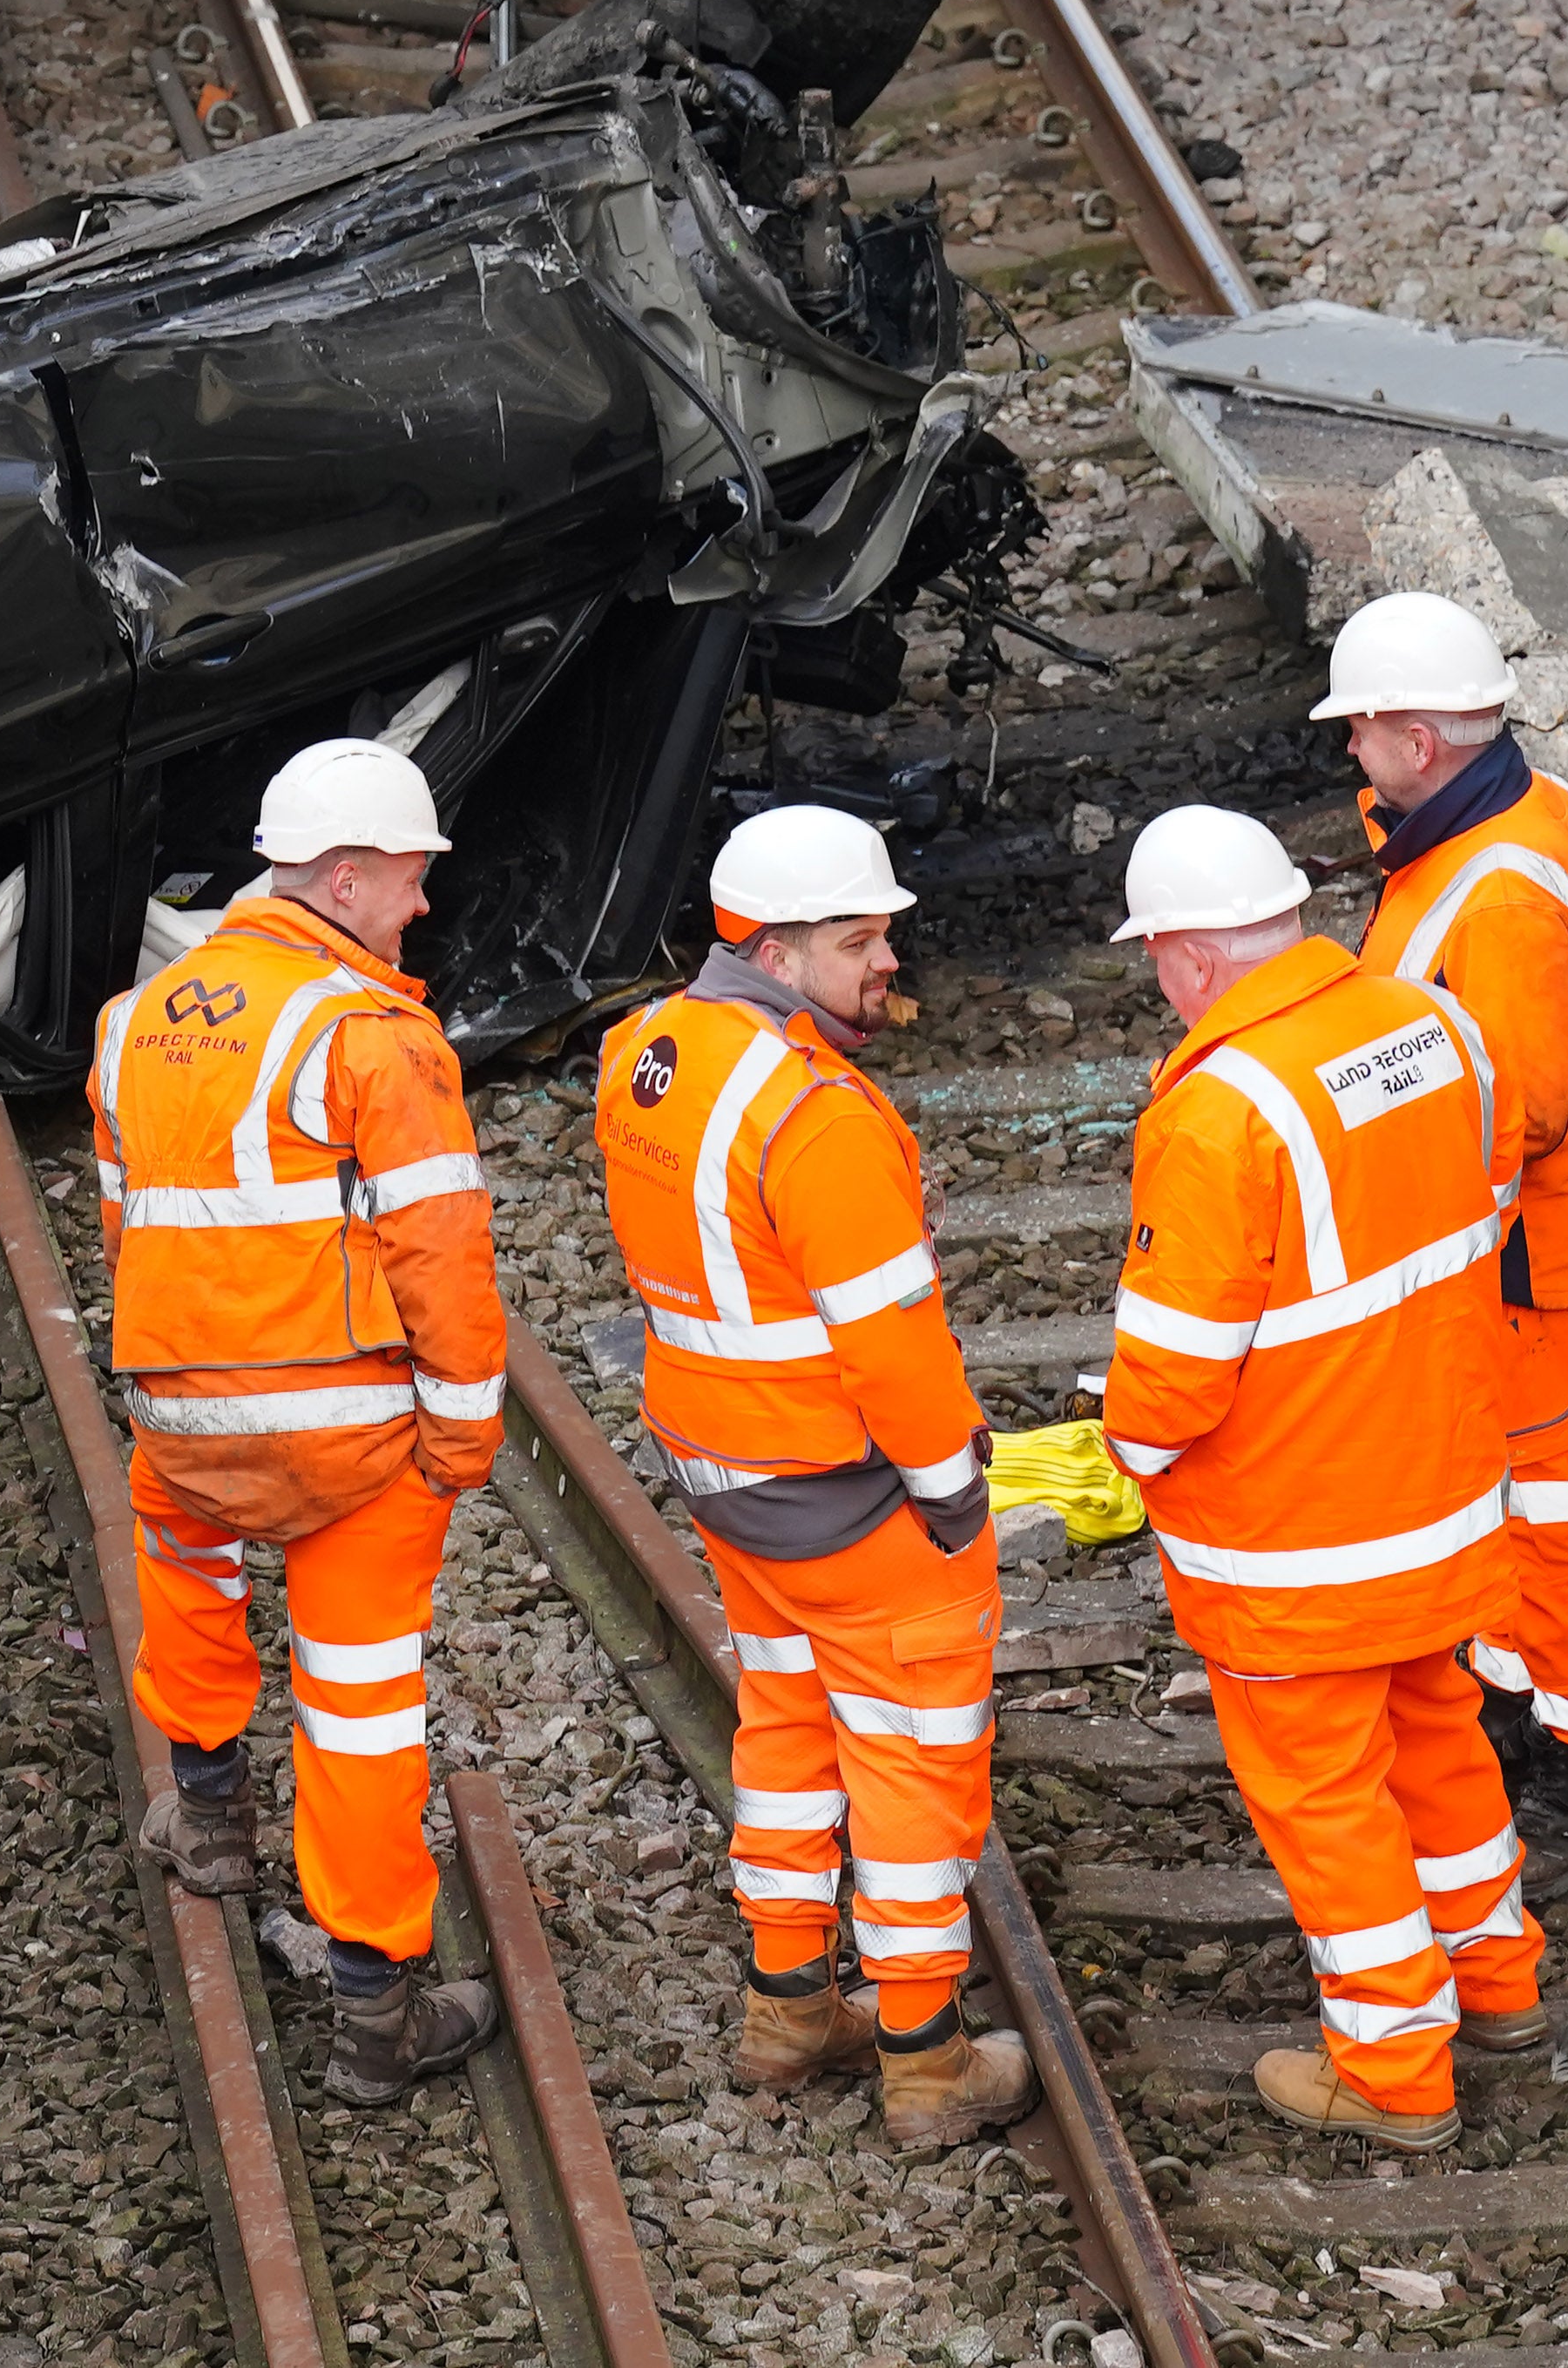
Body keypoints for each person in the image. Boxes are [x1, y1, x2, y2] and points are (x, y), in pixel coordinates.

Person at [591, 806, 1034, 2151]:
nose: (887, 958)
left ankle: (788, 2004)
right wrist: (954, 1484)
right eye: (858, 940)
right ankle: (924, 2053)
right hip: (849, 1494)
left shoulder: (649, 1054)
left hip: (728, 1478)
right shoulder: (819, 1116)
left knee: (786, 1723)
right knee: (911, 1761)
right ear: (773, 953)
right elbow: (894, 1343)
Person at [1105, 804, 1548, 2148]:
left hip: (1299, 1541)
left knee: (1327, 1798)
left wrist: (1118, 1451)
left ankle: (1394, 2065)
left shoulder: (1222, 1108)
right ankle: (1497, 1978)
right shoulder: (1433, 1028)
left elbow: (1175, 1371)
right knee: (1438, 1737)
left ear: (1184, 955)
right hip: (1441, 1496)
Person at [90, 737, 508, 2107]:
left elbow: (122, 1223)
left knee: (190, 1573)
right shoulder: (372, 1041)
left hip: (182, 1421)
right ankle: (375, 2011)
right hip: (348, 1448)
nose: (422, 906)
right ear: (340, 877)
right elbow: (443, 1259)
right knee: (363, 1705)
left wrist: (180, 1389)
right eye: (406, 879)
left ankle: (208, 1822)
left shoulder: (131, 1024)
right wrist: (459, 1436)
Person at [1313, 592, 1568, 1883]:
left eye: (1363, 733)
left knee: (1554, 1507)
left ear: (1420, 737)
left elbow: (1517, 1110)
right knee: (1513, 1493)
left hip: (1522, 1258)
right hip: (1526, 1249)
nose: (1350, 753)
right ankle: (1514, 1703)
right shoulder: (1508, 808)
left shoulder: (1498, 895)